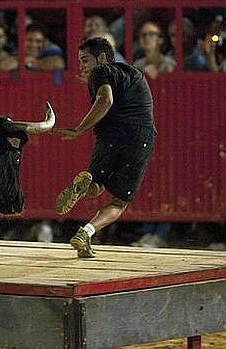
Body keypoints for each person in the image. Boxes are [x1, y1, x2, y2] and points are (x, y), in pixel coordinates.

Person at [54, 37, 156, 258]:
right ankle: (86, 233)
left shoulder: (101, 72)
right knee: (119, 201)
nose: (81, 66)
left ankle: (84, 187)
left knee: (97, 183)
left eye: (84, 60)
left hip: (110, 135)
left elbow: (106, 100)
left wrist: (79, 129)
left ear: (101, 58)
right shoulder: (134, 73)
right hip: (139, 137)